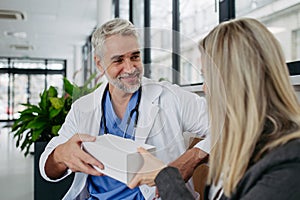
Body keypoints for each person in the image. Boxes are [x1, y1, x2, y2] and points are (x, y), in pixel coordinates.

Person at [127, 18, 300, 200]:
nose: (204, 88)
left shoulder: (288, 164)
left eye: (207, 77)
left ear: (234, 81)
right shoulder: (251, 142)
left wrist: (164, 175)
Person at [39, 18, 210, 200]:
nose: (130, 68)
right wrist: (59, 155)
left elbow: (230, 124)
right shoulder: (82, 108)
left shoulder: (170, 97)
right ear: (99, 64)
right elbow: (47, 168)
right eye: (118, 60)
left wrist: (192, 158)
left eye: (134, 57)